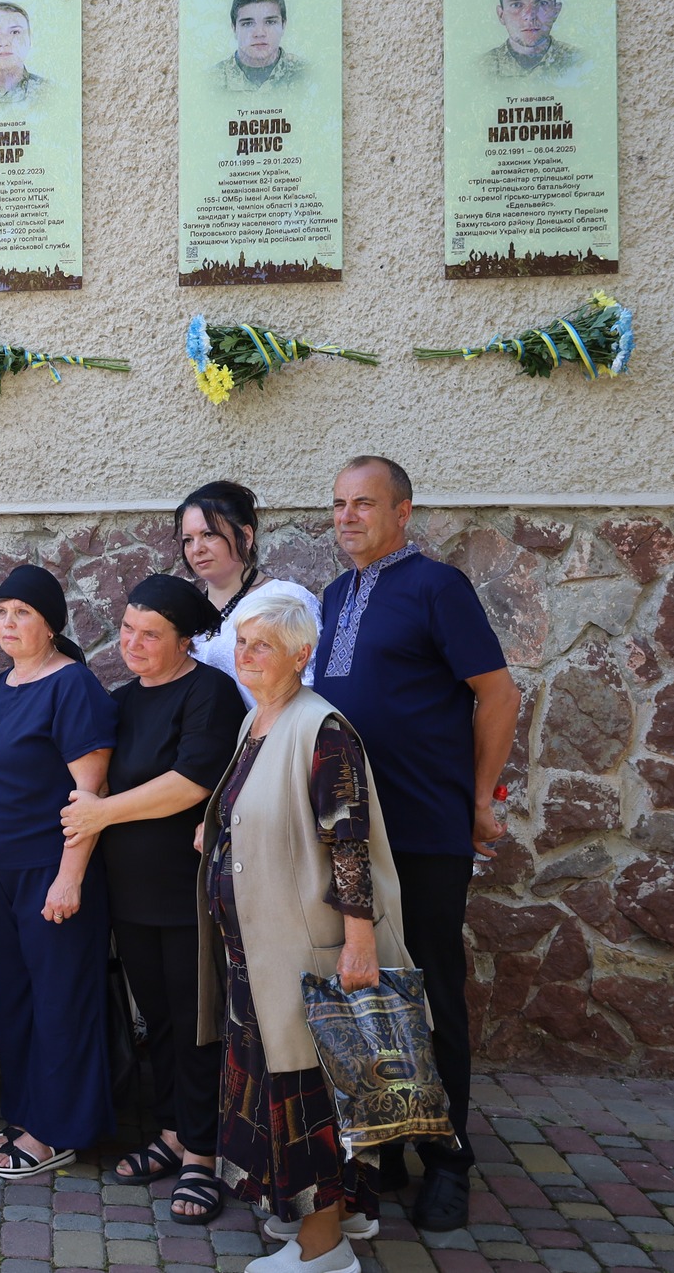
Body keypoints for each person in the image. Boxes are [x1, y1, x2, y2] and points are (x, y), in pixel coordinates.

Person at [312, 457, 518, 1231]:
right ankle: (391, 1139)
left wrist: (479, 798)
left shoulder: (439, 586)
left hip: (425, 827)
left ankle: (448, 1160)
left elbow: (499, 693)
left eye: (364, 503)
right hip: (351, 831)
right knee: (369, 988)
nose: (347, 515)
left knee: (431, 993)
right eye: (339, 503)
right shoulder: (335, 596)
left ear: (402, 512)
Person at [199, 594, 409, 1273]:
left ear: (301, 655)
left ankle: (325, 1252)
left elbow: (348, 841)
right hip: (258, 951)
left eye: (263, 644)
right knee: (291, 1090)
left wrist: (359, 941)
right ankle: (335, 1217)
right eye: (242, 641)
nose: (246, 654)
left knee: (311, 1097)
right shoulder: (258, 718)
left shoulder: (323, 727)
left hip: (306, 951)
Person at [58, 575, 244, 1223]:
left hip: (188, 891)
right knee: (158, 1019)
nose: (132, 644)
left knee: (197, 1021)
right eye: (127, 629)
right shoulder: (121, 699)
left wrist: (102, 812)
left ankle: (204, 1153)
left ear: (185, 639)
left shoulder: (210, 692)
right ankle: (171, 1131)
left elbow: (190, 782)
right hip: (132, 892)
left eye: (150, 634)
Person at [0, 564, 117, 1179]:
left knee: (60, 1000)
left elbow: (91, 793)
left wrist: (69, 876)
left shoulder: (72, 685)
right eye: (1, 613)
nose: (8, 623)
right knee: (16, 999)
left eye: (21, 612)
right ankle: (29, 1112)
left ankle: (58, 1131)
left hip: (49, 869)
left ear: (50, 624)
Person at [177, 481, 323, 706]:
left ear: (245, 536)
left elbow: (308, 690)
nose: (197, 549)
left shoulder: (286, 599)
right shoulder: (187, 613)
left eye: (209, 534)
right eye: (188, 540)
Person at [481, 0, 582, 80]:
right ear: (501, 15)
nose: (530, 15)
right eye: (517, 5)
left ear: (556, 12)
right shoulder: (481, 68)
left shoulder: (580, 61)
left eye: (542, 3)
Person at [212, 0, 307, 91]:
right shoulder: (209, 81)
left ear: (283, 25)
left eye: (270, 22)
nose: (259, 33)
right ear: (234, 28)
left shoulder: (308, 74)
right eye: (248, 24)